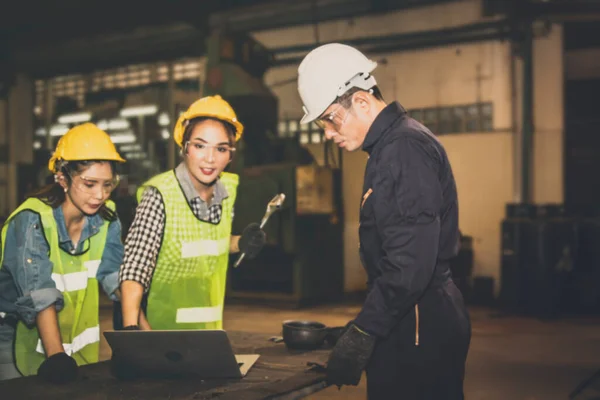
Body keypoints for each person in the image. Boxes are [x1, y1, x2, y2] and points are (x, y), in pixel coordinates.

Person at [297, 43, 471, 399]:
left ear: (361, 102)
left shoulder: (402, 150)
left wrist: (366, 330)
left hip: (420, 324)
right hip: (413, 316)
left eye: (331, 118)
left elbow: (409, 264)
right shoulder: (392, 147)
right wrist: (363, 324)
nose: (328, 133)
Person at [118, 95, 267, 332]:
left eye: (221, 149)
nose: (210, 158)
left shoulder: (226, 190)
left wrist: (240, 243)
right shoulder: (160, 195)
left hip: (209, 333)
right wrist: (131, 329)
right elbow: (136, 266)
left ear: (230, 155)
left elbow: (203, 243)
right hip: (161, 333)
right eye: (200, 146)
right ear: (185, 147)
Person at [0, 123, 126, 383]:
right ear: (62, 178)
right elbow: (39, 293)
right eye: (89, 184)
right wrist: (56, 355)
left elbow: (116, 278)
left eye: (107, 184)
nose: (100, 195)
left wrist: (145, 335)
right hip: (15, 344)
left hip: (74, 347)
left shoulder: (107, 219)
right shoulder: (32, 220)